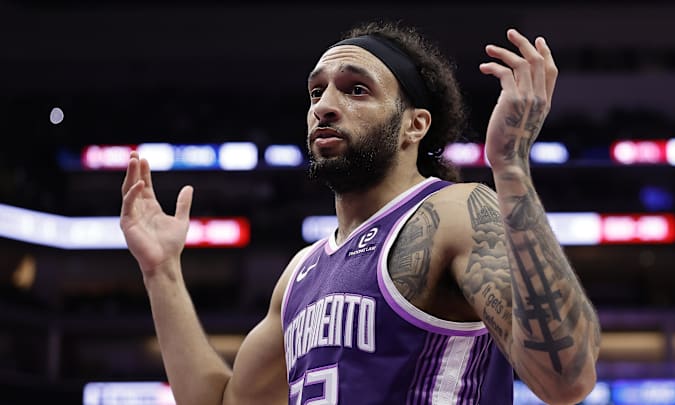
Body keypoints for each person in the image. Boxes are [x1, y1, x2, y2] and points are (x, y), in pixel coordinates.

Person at [120, 20, 601, 405]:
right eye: (315, 93)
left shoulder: (453, 212)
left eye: (355, 90)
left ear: (414, 126)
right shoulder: (300, 274)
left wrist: (511, 164)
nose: (324, 107)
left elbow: (567, 380)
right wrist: (161, 271)